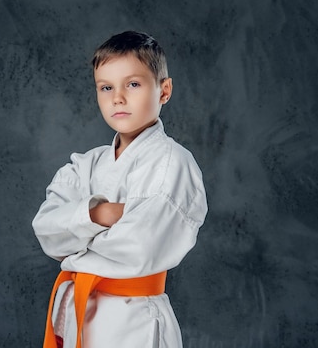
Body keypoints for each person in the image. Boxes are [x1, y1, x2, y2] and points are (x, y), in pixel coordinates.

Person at [32, 30, 208, 348]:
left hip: (135, 322)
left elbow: (140, 246)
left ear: (164, 91)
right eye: (106, 87)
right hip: (80, 316)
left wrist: (75, 239)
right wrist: (100, 213)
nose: (118, 98)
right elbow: (45, 229)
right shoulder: (85, 163)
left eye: (133, 84)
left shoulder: (172, 162)